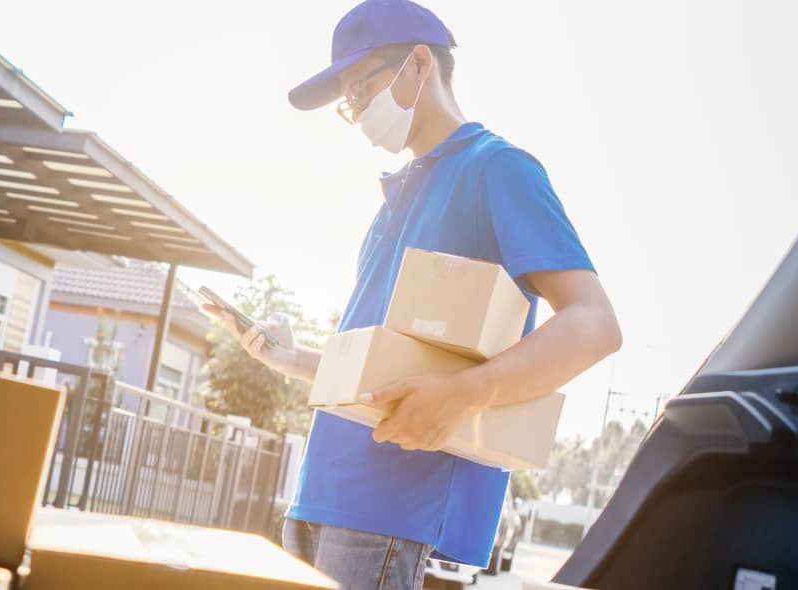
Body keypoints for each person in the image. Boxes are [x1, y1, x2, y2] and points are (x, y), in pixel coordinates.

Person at [204, 1, 622, 588]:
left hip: (388, 509)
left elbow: (595, 325)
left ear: (419, 63)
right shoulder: (395, 200)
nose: (355, 111)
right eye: (347, 103)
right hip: (318, 496)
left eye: (359, 89)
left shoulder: (497, 170)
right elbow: (382, 374)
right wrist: (286, 357)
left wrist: (466, 393)